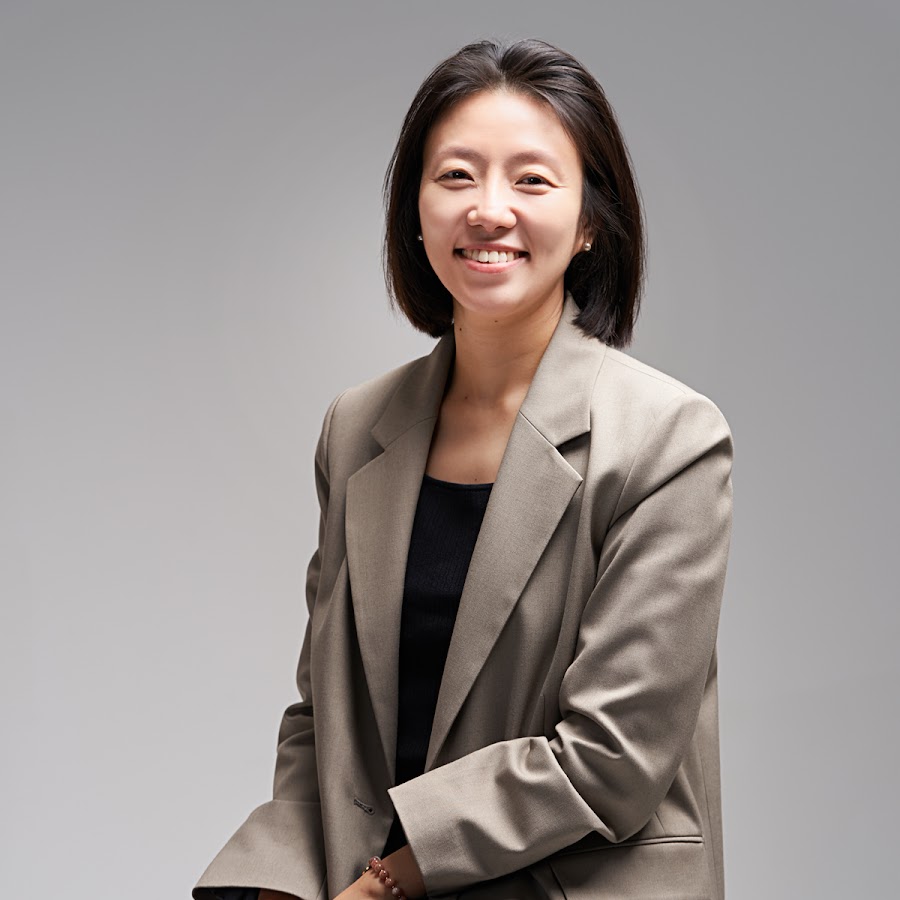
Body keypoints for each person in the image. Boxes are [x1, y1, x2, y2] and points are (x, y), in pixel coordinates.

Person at [193, 37, 734, 900]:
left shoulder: (668, 439)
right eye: (455, 176)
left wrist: (388, 884)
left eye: (532, 180)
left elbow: (611, 759)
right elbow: (323, 717)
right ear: (415, 211)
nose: (489, 210)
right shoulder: (357, 427)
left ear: (589, 222)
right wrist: (277, 883)